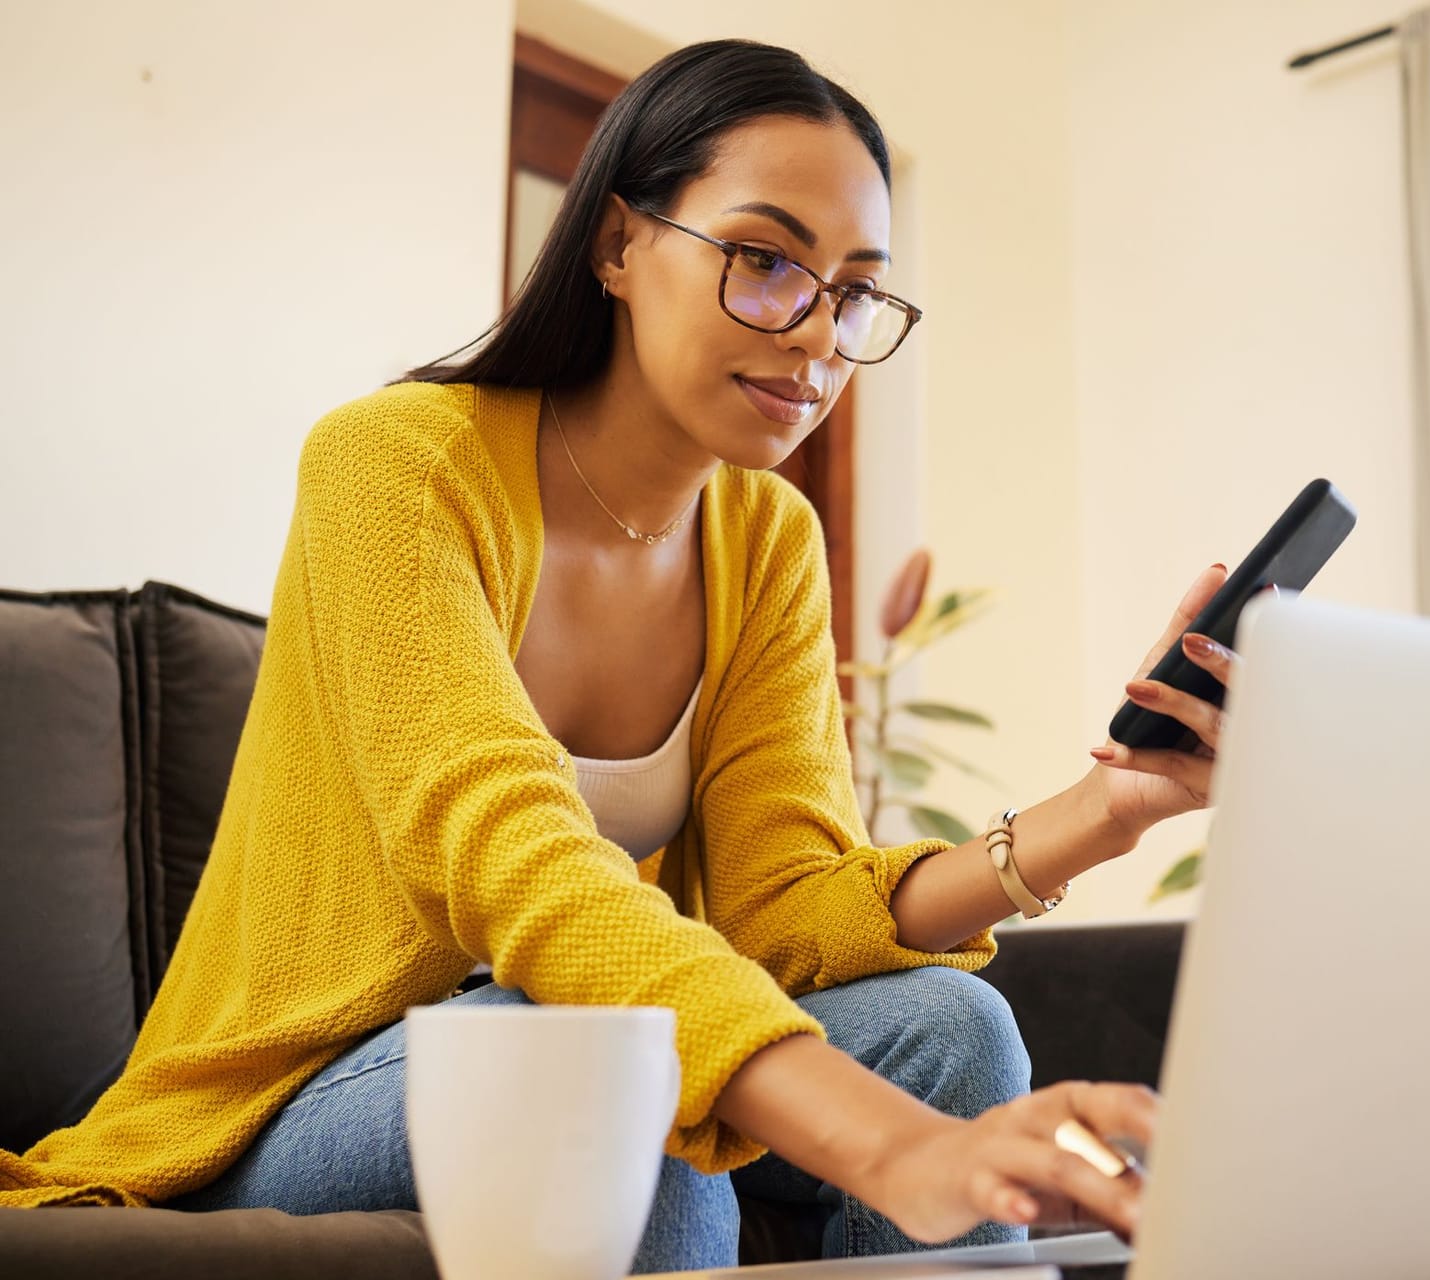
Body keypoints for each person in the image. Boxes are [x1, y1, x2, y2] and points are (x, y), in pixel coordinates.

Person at [0, 38, 1239, 1272]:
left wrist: (1105, 810)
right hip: (301, 1093)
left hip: (572, 1028)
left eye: (854, 289)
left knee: (952, 1024)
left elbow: (785, 906)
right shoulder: (396, 464)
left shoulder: (765, 538)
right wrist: (888, 1146)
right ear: (616, 246)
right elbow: (518, 861)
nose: (816, 336)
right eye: (765, 262)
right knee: (608, 1071)